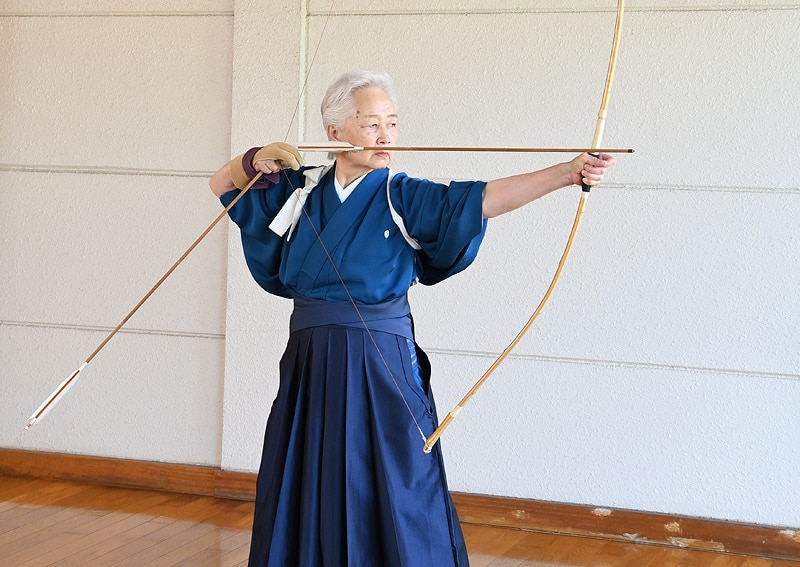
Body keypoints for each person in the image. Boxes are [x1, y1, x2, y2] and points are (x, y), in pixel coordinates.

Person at [209, 70, 615, 567]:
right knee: (306, 471)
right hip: (310, 358)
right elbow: (221, 183)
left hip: (381, 361)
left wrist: (567, 173)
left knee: (398, 476)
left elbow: (481, 199)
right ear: (334, 132)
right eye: (371, 123)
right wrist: (253, 159)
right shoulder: (301, 189)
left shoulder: (401, 194)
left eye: (393, 125)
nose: (385, 136)